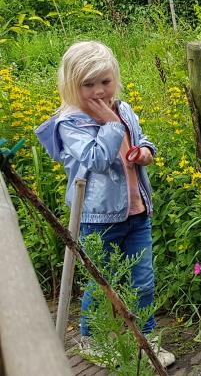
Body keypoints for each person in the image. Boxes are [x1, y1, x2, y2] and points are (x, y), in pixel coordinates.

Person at [35, 41, 176, 367]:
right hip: (97, 217)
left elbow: (141, 139)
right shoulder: (70, 124)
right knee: (102, 282)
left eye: (105, 81)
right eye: (89, 84)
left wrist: (145, 152)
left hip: (136, 211)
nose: (99, 91)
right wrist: (109, 125)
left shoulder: (123, 108)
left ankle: (148, 339)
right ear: (72, 85)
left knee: (144, 279)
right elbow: (94, 160)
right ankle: (92, 339)